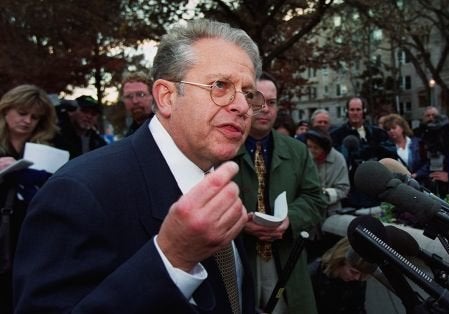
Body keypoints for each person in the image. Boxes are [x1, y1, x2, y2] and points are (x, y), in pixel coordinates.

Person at [13, 19, 263, 313]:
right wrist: (171, 259)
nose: (242, 106)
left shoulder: (219, 181)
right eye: (220, 85)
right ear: (167, 97)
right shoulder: (79, 192)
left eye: (248, 93)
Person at [232, 73, 325, 314]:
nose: (264, 109)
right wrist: (242, 224)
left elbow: (316, 198)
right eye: (257, 101)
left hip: (286, 259)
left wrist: (289, 220)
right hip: (241, 258)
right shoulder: (222, 150)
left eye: (271, 102)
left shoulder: (297, 151)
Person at [0, 84, 57, 314]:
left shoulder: (45, 149)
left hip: (30, 231)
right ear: (6, 110)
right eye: (22, 113)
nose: (27, 121)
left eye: (35, 117)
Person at [330, 97, 397, 209]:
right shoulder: (336, 135)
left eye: (358, 109)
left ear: (364, 111)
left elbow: (391, 155)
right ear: (347, 111)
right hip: (351, 192)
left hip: (376, 187)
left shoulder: (377, 133)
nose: (355, 113)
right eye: (352, 110)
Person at [303, 127, 350, 260]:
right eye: (309, 146)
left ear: (325, 148)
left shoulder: (338, 159)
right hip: (310, 220)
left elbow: (344, 188)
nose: (311, 151)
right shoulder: (305, 157)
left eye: (315, 147)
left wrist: (323, 195)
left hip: (331, 217)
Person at [309, 237, 374, 314]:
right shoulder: (314, 276)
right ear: (339, 261)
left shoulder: (357, 281)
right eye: (353, 272)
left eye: (361, 274)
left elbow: (357, 309)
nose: (357, 278)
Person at [52, 95, 107, 159]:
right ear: (72, 112)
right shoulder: (55, 135)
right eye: (84, 111)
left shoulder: (98, 143)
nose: (89, 116)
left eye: (93, 114)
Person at [381, 113, 427, 179]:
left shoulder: (417, 143)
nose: (391, 131)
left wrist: (417, 174)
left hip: (418, 181)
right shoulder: (386, 148)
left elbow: (426, 163)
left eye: (394, 128)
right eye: (388, 129)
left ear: (402, 128)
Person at [120, 71, 154, 137]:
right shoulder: (130, 135)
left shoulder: (166, 129)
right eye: (128, 96)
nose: (135, 101)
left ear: (152, 96)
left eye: (141, 94)